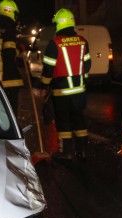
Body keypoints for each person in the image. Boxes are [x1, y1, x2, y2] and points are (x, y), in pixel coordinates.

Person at [39, 8, 91, 160]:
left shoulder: (54, 44)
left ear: (59, 25)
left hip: (61, 92)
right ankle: (82, 151)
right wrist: (81, 79)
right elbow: (87, 64)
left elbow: (48, 69)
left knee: (64, 121)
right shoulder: (82, 41)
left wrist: (44, 85)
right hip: (80, 91)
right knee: (79, 118)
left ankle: (66, 152)